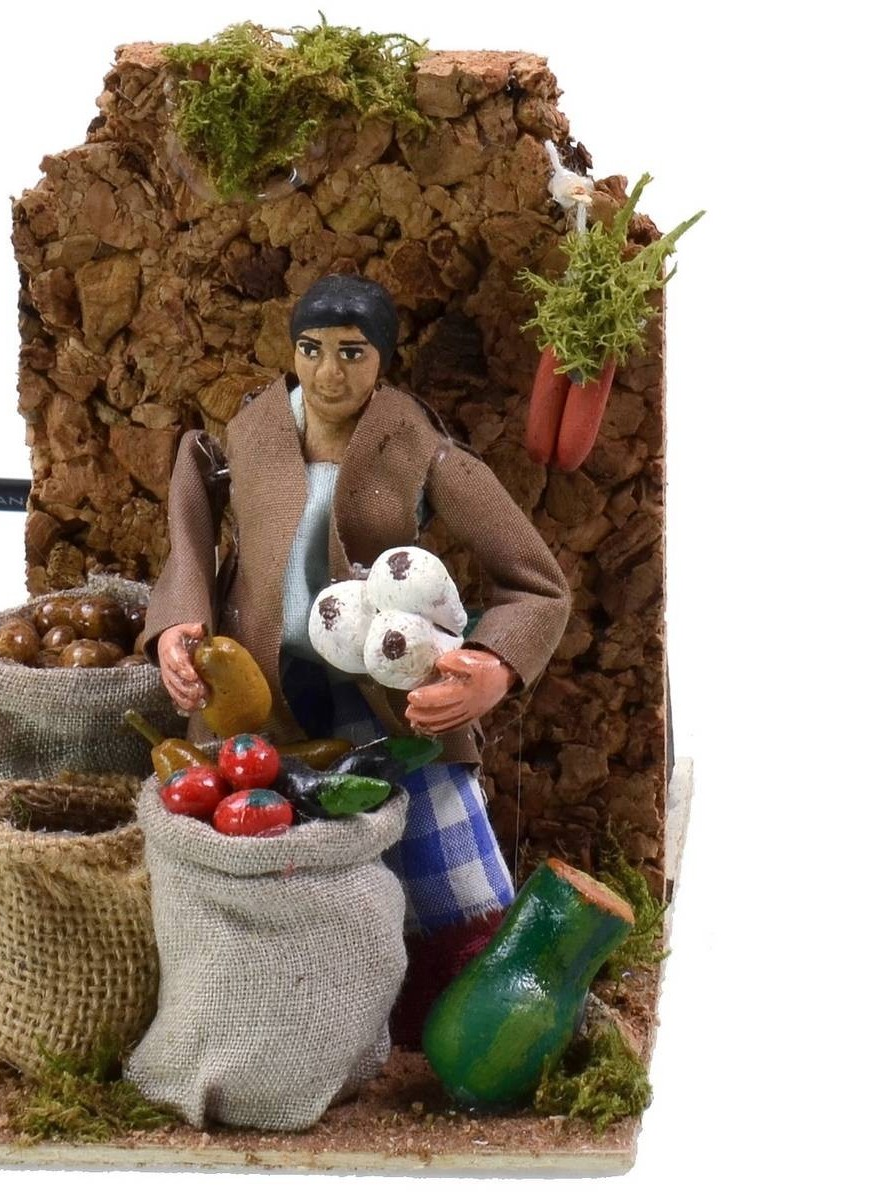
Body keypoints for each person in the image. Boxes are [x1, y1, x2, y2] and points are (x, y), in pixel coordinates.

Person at [143, 274, 571, 1043]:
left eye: (352, 353)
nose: (329, 374)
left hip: (391, 694)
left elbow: (537, 583)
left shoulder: (414, 446)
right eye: (311, 350)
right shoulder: (253, 432)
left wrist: (491, 664)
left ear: (383, 360)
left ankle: (477, 1010)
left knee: (450, 864)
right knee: (276, 866)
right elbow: (192, 517)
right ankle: (307, 1019)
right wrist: (180, 622)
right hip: (261, 696)